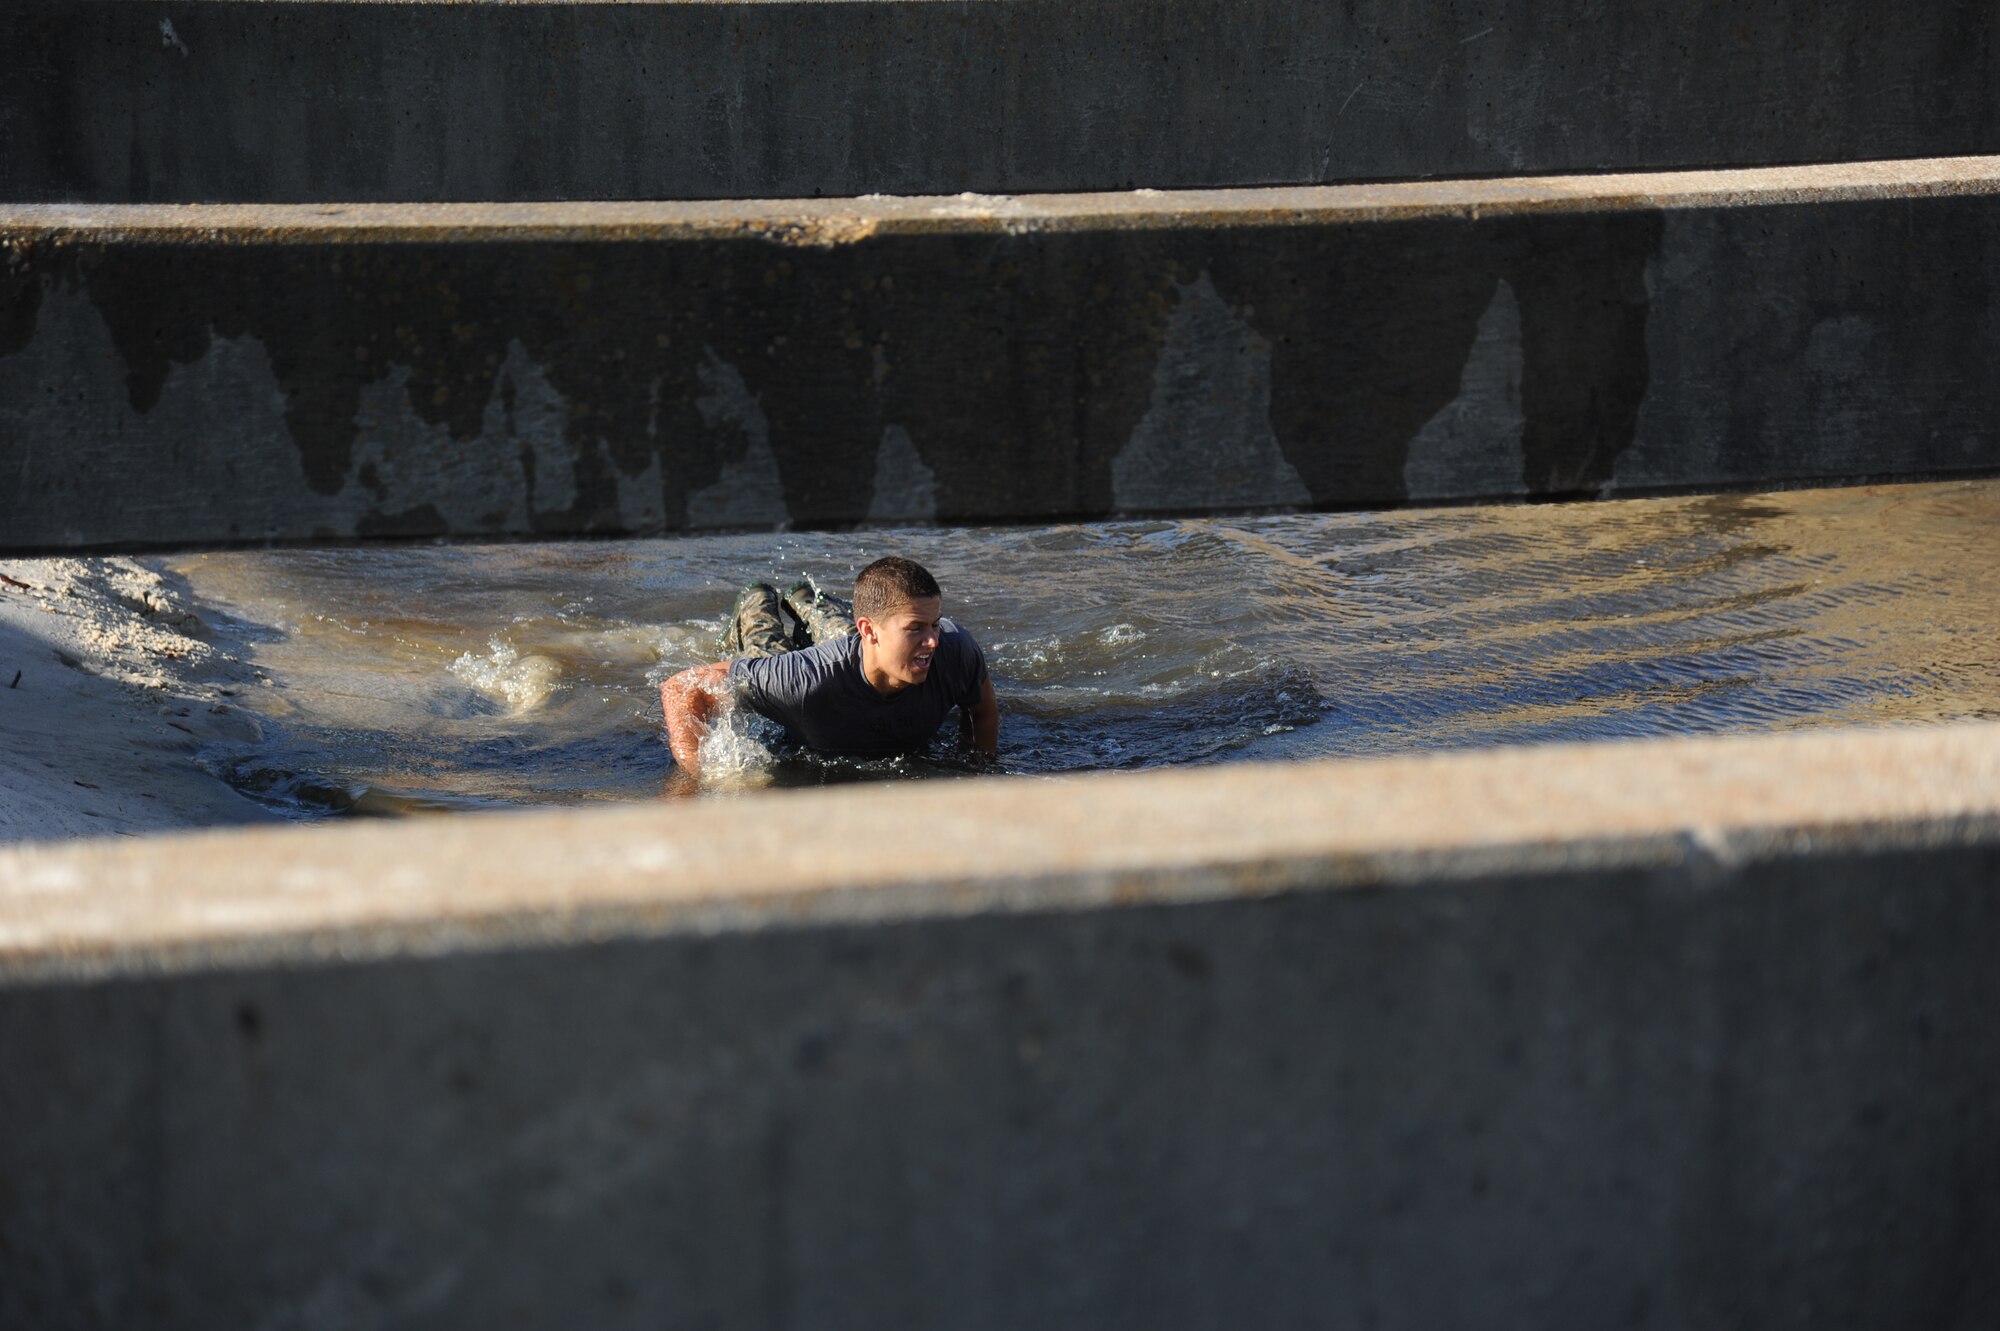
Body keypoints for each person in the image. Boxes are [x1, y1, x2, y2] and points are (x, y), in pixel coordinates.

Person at [660, 556, 999, 778]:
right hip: (817, 665)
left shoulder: (956, 651)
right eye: (916, 628)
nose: (933, 641)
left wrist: (974, 769)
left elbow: (981, 714)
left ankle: (806, 600)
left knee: (852, 639)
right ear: (871, 630)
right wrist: (698, 779)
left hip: (863, 648)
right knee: (767, 650)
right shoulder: (802, 680)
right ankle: (757, 600)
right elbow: (682, 686)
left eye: (935, 624)